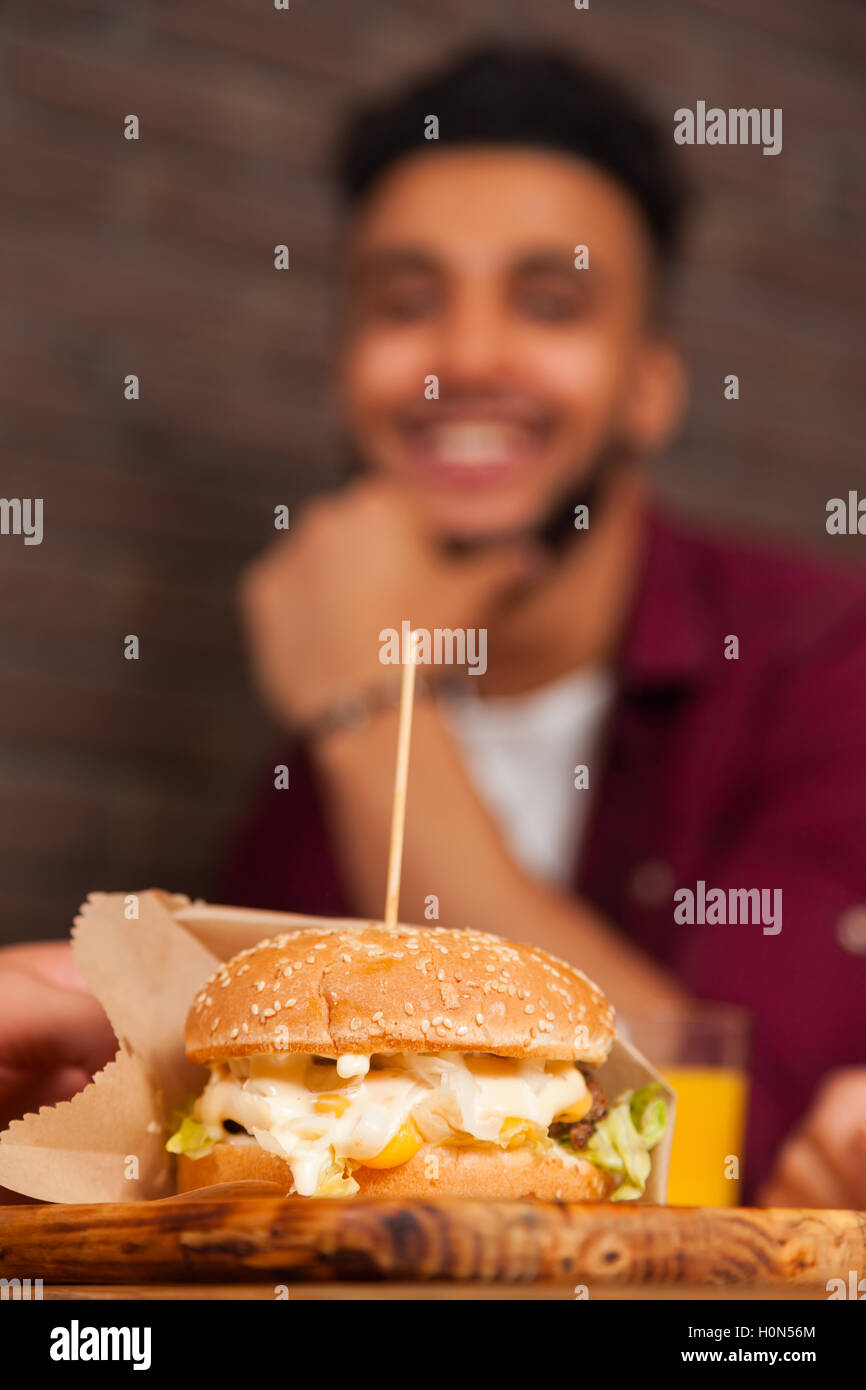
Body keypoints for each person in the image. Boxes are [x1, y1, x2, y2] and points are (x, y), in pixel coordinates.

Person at [1, 47, 864, 1207]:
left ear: (649, 385)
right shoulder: (316, 744)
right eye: (406, 304)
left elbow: (739, 1154)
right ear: (347, 366)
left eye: (547, 302)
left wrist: (366, 707)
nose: (461, 358)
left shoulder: (821, 661)